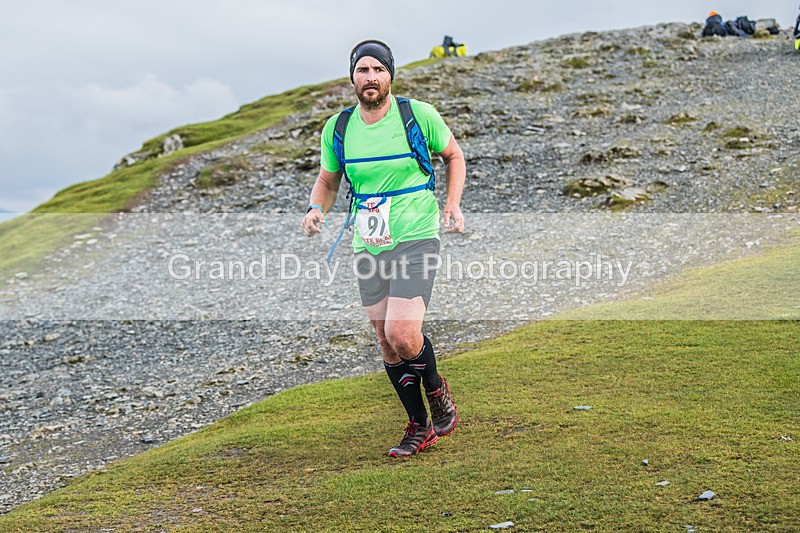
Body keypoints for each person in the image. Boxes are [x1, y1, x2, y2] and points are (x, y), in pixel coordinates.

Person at [300, 39, 467, 457]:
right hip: (368, 241)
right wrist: (315, 210)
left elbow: (454, 156)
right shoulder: (338, 127)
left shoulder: (417, 114)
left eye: (377, 69)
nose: (370, 77)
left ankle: (437, 390)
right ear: (352, 77)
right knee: (385, 340)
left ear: (390, 74)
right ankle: (419, 426)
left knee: (402, 331)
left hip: (415, 234)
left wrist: (452, 205)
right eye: (362, 70)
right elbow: (328, 180)